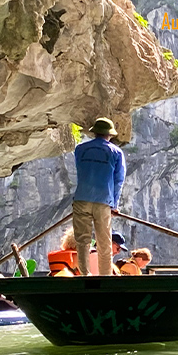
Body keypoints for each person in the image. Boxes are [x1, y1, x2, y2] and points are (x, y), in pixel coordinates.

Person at [73, 117, 125, 276]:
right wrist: (114, 204)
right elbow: (118, 180)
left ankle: (85, 274)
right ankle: (105, 275)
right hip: (103, 201)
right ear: (110, 135)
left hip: (82, 198)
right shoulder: (116, 152)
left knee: (83, 240)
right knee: (104, 242)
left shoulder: (80, 149)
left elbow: (79, 169)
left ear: (94, 132)